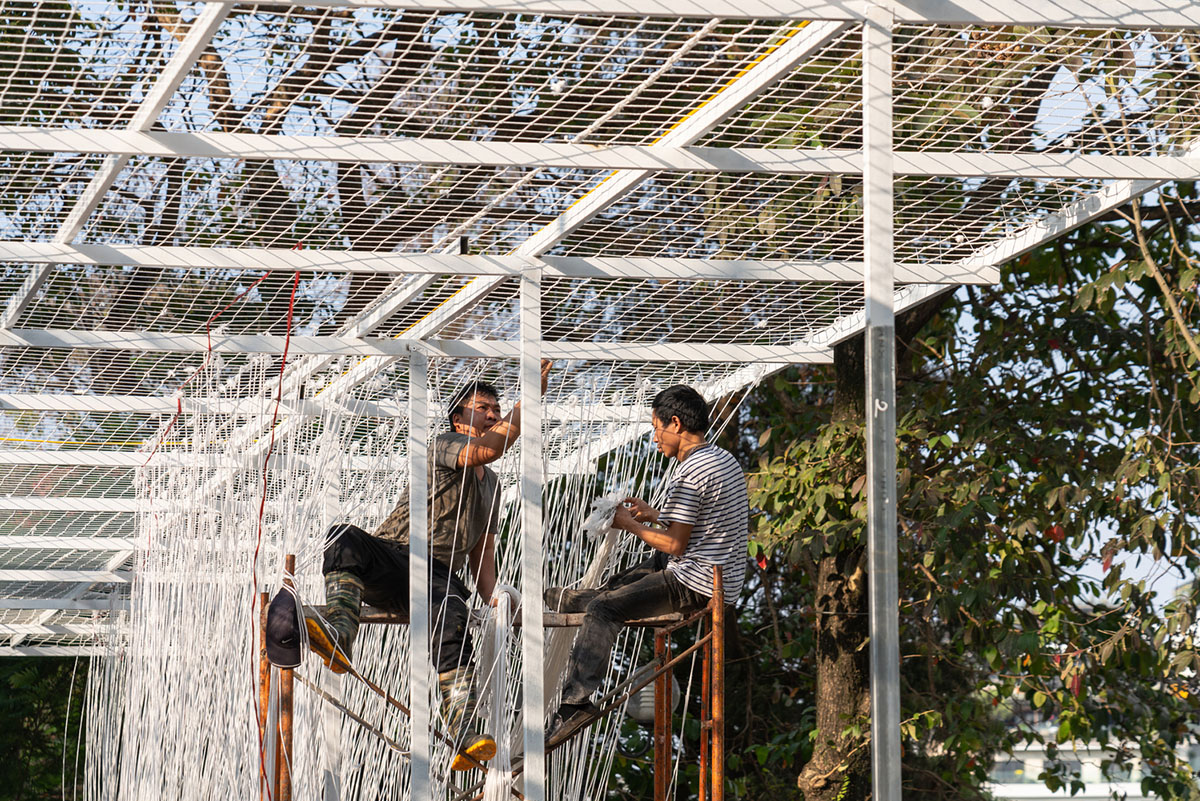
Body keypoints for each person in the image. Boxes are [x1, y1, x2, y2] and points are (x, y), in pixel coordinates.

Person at [267, 361, 551, 771]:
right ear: (459, 417)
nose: (492, 413)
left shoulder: (492, 484)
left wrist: (493, 598)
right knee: (343, 536)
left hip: (437, 575)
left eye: (496, 408)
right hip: (396, 558)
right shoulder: (446, 444)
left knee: (453, 622)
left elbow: (482, 547)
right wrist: (530, 397)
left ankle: (467, 731)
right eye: (483, 407)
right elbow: (490, 448)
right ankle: (340, 630)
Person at [544, 384, 749, 745]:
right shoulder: (720, 459)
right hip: (717, 575)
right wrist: (655, 515)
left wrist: (631, 525)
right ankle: (580, 599)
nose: (655, 438)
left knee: (604, 610)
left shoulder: (690, 473)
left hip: (696, 583)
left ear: (674, 423)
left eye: (656, 428)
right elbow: (702, 523)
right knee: (637, 573)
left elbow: (675, 542)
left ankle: (574, 704)